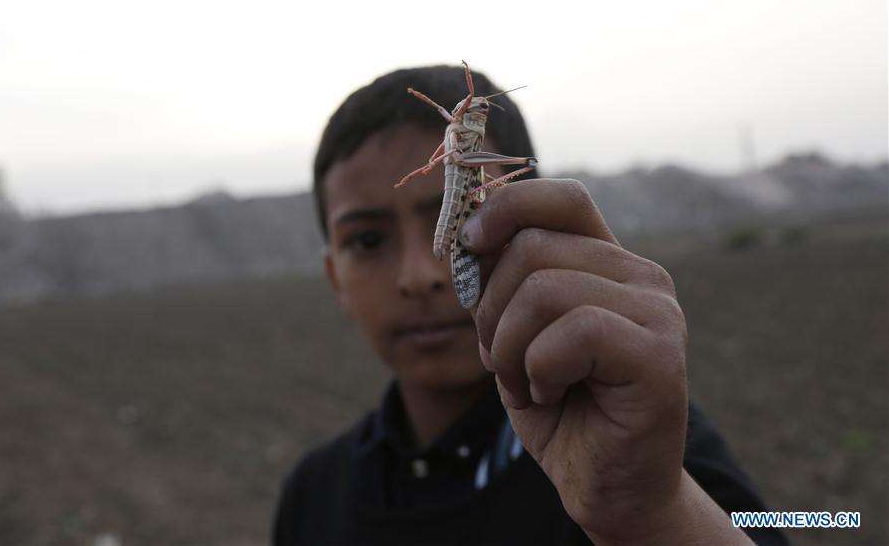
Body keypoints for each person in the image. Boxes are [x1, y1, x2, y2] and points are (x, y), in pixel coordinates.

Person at [272, 64, 786, 545]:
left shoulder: (644, 443)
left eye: (483, 222)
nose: (420, 277)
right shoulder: (312, 493)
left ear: (531, 225)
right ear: (334, 279)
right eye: (366, 241)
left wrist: (655, 512)